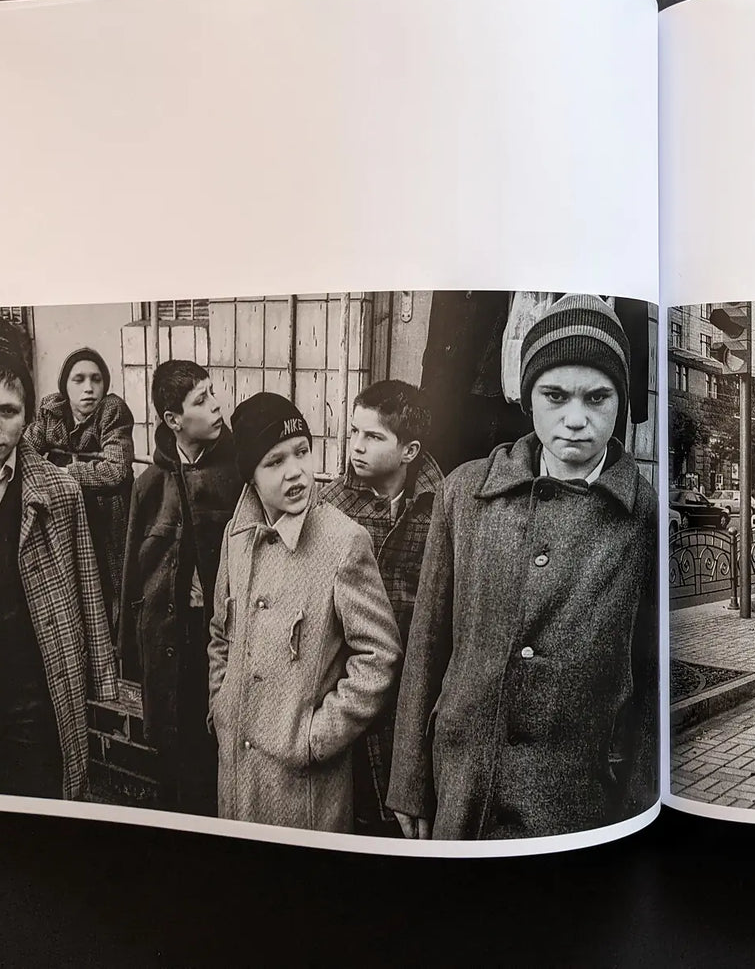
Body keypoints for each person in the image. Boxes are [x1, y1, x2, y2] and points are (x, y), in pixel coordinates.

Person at [388, 294, 658, 840]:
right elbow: (427, 643)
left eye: (598, 397)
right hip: (464, 786)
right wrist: (410, 780)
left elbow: (650, 674)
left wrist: (637, 800)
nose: (575, 419)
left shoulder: (641, 514)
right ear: (529, 396)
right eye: (555, 396)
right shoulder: (464, 493)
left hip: (579, 800)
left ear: (621, 401)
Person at [207, 393, 401, 833]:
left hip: (303, 788)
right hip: (236, 772)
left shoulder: (343, 542)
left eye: (301, 451)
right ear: (250, 475)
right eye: (274, 461)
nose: (295, 471)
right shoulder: (236, 535)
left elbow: (379, 656)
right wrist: (221, 704)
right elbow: (220, 634)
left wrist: (317, 737)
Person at [0, 337, 119, 799]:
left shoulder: (59, 491)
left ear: (25, 417)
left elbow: (87, 583)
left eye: (8, 412)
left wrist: (102, 673)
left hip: (36, 677)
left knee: (38, 789)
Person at [320, 380, 445, 837]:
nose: (356, 446)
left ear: (409, 450)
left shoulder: (443, 507)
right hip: (350, 683)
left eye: (373, 436)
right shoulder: (330, 505)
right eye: (354, 431)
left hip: (416, 689)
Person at [119, 361, 239, 816]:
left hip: (220, 637)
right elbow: (133, 571)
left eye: (213, 393)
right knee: (171, 750)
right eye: (201, 400)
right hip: (168, 636)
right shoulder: (150, 484)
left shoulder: (238, 475)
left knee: (213, 747)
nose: (216, 406)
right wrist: (130, 650)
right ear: (173, 419)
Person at [22, 347, 135, 629]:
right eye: (79, 379)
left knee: (107, 583)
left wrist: (63, 472)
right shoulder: (52, 411)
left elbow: (116, 470)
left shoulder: (112, 411)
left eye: (96, 379)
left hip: (104, 516)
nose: (89, 388)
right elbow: (25, 452)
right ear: (65, 386)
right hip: (64, 513)